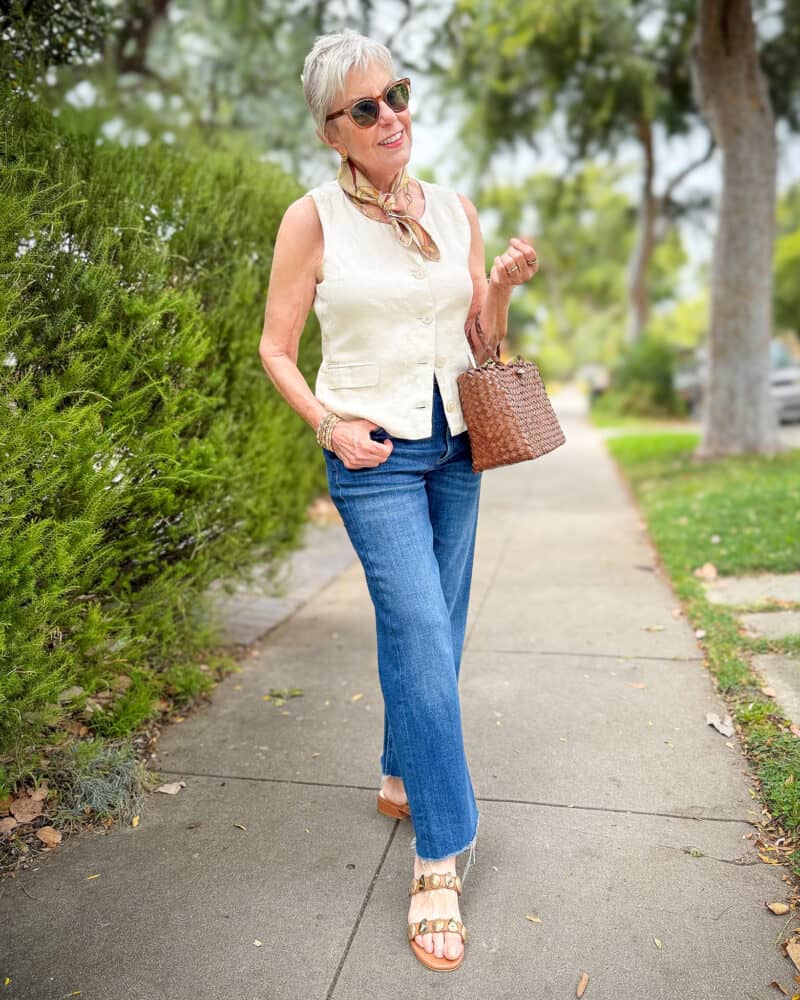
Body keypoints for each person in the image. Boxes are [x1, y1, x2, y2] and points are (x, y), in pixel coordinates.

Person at [258, 29, 538, 973]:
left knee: (438, 628)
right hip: (372, 454)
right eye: (365, 108)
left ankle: (397, 771)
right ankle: (439, 858)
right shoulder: (313, 220)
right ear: (334, 132)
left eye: (397, 95)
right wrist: (327, 425)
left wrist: (496, 290)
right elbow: (275, 349)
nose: (391, 117)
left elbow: (479, 342)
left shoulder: (452, 209)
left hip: (457, 443)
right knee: (418, 628)